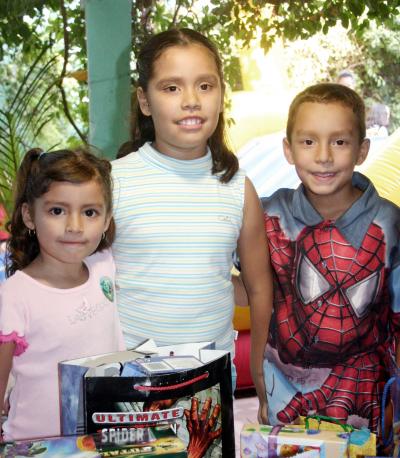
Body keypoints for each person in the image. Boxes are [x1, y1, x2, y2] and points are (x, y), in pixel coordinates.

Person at [112, 28, 273, 420]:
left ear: (221, 94)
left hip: (209, 387)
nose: (191, 101)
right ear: (144, 101)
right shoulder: (112, 182)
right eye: (171, 88)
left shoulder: (237, 188)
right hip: (124, 385)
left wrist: (264, 384)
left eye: (205, 85)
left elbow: (259, 289)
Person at [261, 83, 400, 433]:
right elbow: (233, 282)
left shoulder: (390, 223)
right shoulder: (267, 215)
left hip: (370, 411)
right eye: (308, 141)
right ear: (288, 149)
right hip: (284, 410)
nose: (323, 155)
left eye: (339, 141)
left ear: (362, 150)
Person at [0, 148, 125, 441]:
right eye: (57, 211)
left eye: (90, 212)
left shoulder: (104, 265)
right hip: (36, 444)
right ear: (30, 216)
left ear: (106, 220)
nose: (74, 226)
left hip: (105, 436)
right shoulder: (15, 296)